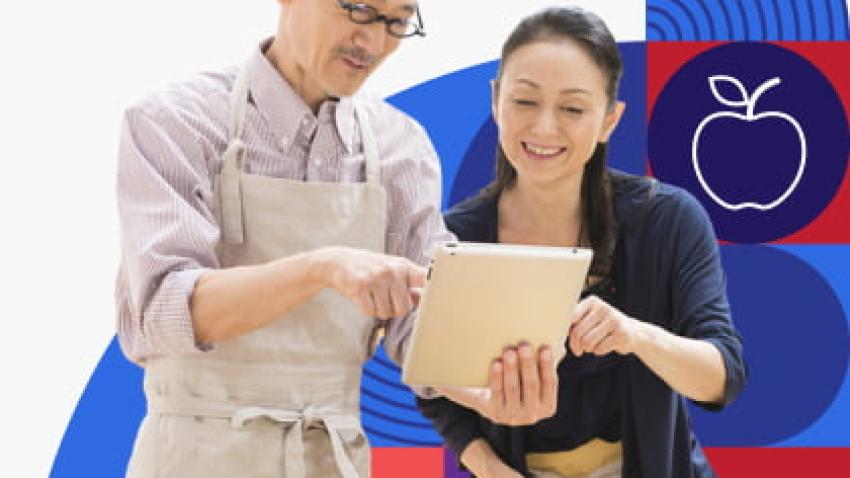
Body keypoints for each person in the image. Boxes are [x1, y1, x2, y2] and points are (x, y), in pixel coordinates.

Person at [114, 0, 454, 476]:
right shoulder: (176, 120)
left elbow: (425, 319)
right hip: (194, 456)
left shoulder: (402, 147)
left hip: (331, 458)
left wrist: (487, 387)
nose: (373, 42)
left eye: (396, 21)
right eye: (357, 9)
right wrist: (322, 268)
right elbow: (166, 310)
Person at [416, 6, 747, 478]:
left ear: (610, 121)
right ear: (495, 101)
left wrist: (635, 335)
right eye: (525, 101)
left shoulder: (669, 220)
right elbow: (436, 384)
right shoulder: (455, 239)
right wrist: (490, 470)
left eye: (572, 108)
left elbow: (723, 377)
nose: (544, 128)